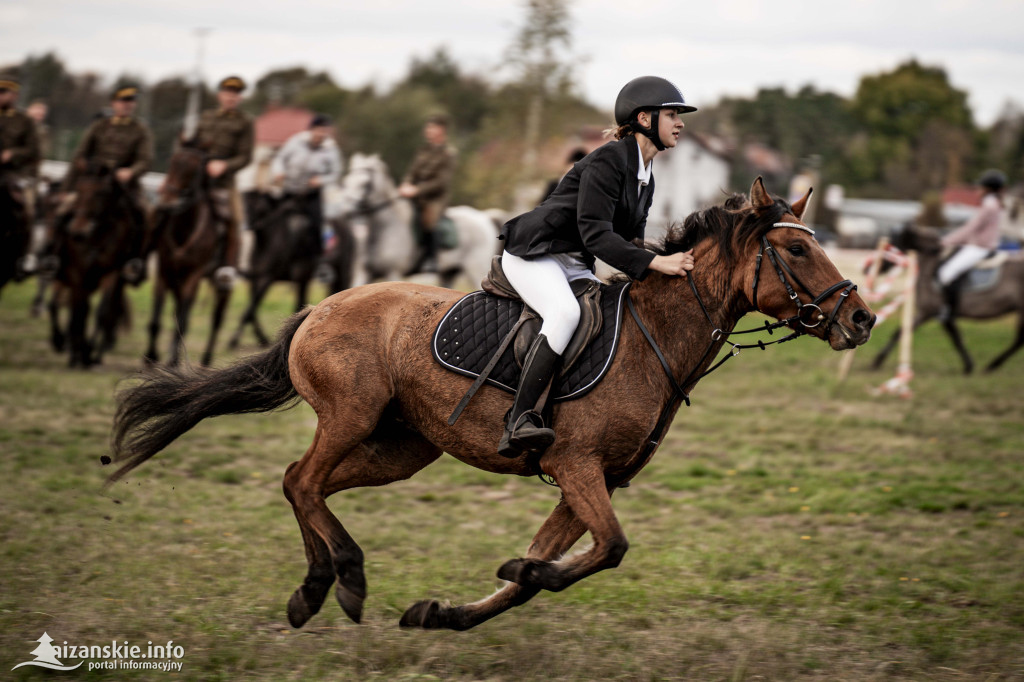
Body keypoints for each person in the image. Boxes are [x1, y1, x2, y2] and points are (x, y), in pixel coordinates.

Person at [495, 76, 698, 458]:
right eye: (672, 114)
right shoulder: (608, 160)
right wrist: (656, 262)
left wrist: (661, 271)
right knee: (565, 313)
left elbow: (630, 242)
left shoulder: (645, 176)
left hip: (572, 262)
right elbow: (595, 235)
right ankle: (518, 421)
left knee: (609, 317)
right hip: (536, 254)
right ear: (644, 118)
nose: (680, 123)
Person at [194, 75, 254, 289]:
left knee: (234, 220)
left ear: (240, 98)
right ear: (220, 95)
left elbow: (246, 156)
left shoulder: (244, 122)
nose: (231, 97)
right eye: (228, 93)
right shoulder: (207, 117)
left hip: (225, 183)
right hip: (198, 179)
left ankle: (229, 267)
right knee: (165, 208)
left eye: (236, 94)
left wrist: (224, 166)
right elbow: (194, 144)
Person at [936, 169, 1007, 318]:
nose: (978, 190)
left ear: (987, 189)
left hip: (979, 248)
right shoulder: (995, 203)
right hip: (979, 245)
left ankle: (948, 310)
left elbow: (970, 228)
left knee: (946, 273)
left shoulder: (989, 205)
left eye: (981, 187)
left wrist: (946, 241)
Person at [270, 114, 342, 256]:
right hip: (289, 190)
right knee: (273, 219)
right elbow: (280, 158)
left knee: (318, 224)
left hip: (311, 195)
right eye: (319, 130)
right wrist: (279, 172)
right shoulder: (295, 142)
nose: (321, 134)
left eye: (325, 131)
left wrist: (320, 180)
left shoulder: (331, 150)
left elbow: (336, 173)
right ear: (311, 130)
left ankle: (319, 257)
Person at [398, 113, 456, 273]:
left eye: (432, 127)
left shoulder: (448, 154)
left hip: (435, 197)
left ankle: (431, 259)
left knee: (429, 220)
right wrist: (406, 183)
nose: (428, 130)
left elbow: (441, 182)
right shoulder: (423, 150)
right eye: (428, 126)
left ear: (441, 130)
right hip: (415, 195)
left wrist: (417, 190)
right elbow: (412, 171)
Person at [0, 74, 41, 276]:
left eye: (4, 93)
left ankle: (25, 257)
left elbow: (34, 151)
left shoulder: (24, 121)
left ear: (14, 95)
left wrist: (11, 154)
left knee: (28, 209)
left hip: (15, 175)